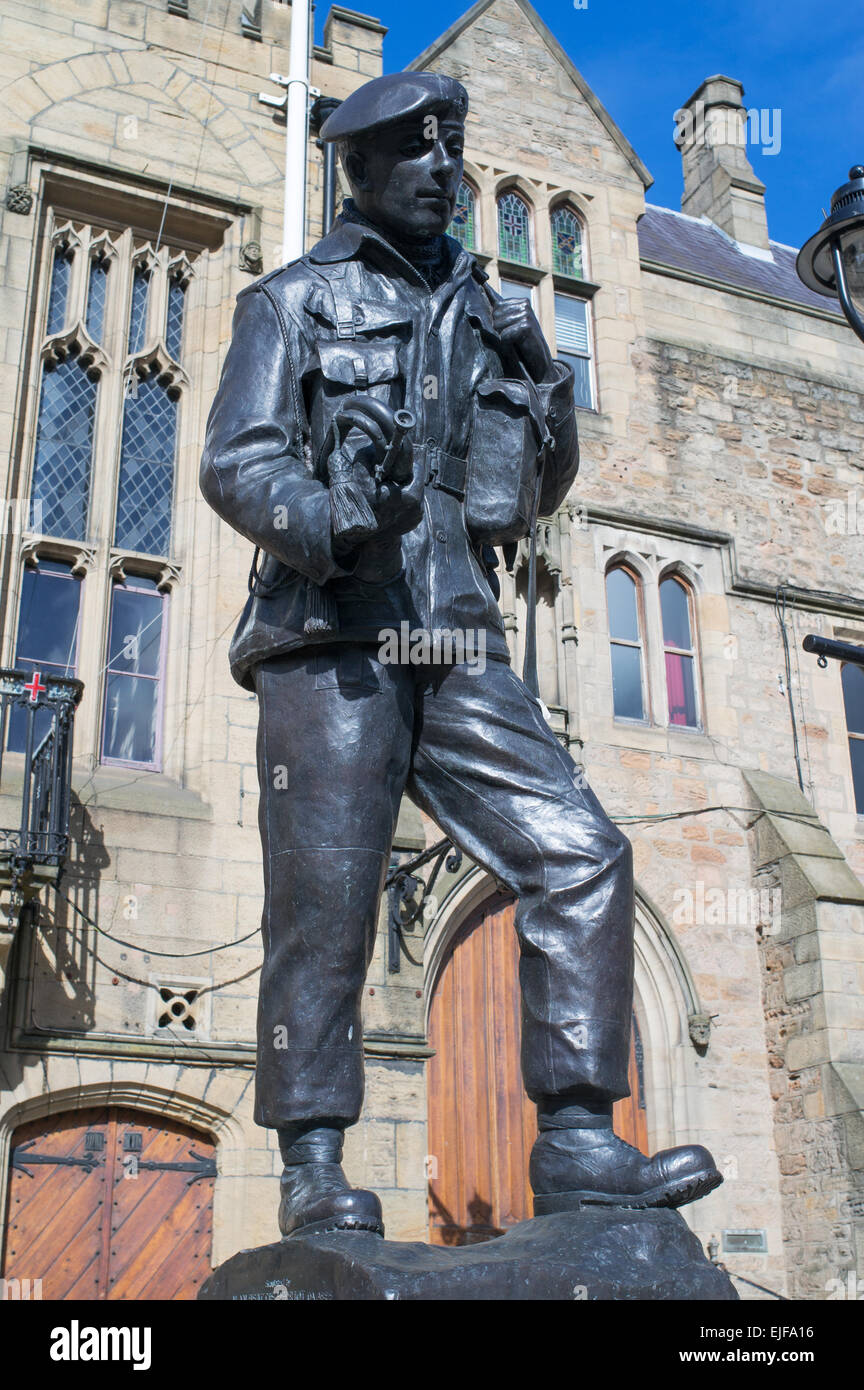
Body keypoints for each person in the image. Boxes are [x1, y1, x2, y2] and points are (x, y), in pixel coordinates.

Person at [200, 71, 722, 1238]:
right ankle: (313, 1163)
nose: (446, 173)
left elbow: (527, 495)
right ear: (364, 170)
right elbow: (235, 459)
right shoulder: (293, 302)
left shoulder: (484, 310)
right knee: (325, 896)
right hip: (332, 625)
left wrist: (550, 396)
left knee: (580, 849)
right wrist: (326, 514)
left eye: (455, 153)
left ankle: (582, 1141)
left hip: (451, 623)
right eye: (422, 155)